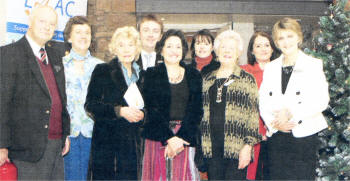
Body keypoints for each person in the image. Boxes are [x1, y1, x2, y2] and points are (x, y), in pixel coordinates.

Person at [0, 5, 70, 180]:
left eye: (52, 24)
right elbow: (2, 102)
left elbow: (60, 98)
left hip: (56, 146)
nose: (47, 26)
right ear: (30, 21)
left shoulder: (55, 55)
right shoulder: (9, 54)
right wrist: (1, 145)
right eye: (42, 21)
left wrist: (64, 133)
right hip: (26, 150)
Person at [259, 18, 329, 180]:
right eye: (281, 38)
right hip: (277, 135)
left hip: (303, 134)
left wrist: (290, 115)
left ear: (298, 37)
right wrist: (275, 123)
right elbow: (263, 101)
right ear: (276, 42)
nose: (286, 42)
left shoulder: (313, 64)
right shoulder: (271, 68)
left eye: (289, 36)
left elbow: (321, 99)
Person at [142, 29, 203, 181]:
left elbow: (196, 111)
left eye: (178, 46)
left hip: (184, 138)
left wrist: (179, 139)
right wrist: (169, 138)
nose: (174, 51)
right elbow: (151, 109)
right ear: (161, 50)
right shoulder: (151, 74)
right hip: (158, 137)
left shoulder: (194, 75)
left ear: (183, 50)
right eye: (169, 46)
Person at [200, 30, 261, 180]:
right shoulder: (207, 79)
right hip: (211, 149)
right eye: (223, 47)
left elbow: (253, 116)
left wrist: (248, 146)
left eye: (232, 48)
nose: (227, 51)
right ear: (217, 52)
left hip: (237, 149)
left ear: (238, 52)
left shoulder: (247, 79)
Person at [85, 26, 144, 180]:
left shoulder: (143, 75)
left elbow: (150, 107)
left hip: (134, 148)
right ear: (114, 48)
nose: (126, 49)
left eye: (130, 45)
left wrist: (143, 114)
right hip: (107, 149)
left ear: (137, 48)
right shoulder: (102, 70)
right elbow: (90, 105)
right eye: (121, 45)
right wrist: (119, 111)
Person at [62, 16, 103, 181]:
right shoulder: (59, 65)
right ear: (69, 37)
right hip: (68, 136)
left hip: (94, 135)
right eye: (78, 32)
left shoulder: (101, 67)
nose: (83, 36)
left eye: (87, 32)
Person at [240, 31, 281, 180]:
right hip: (252, 134)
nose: (263, 49)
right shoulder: (243, 72)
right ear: (252, 50)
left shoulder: (281, 71)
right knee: (253, 174)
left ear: (272, 48)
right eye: (258, 45)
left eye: (267, 45)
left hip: (278, 131)